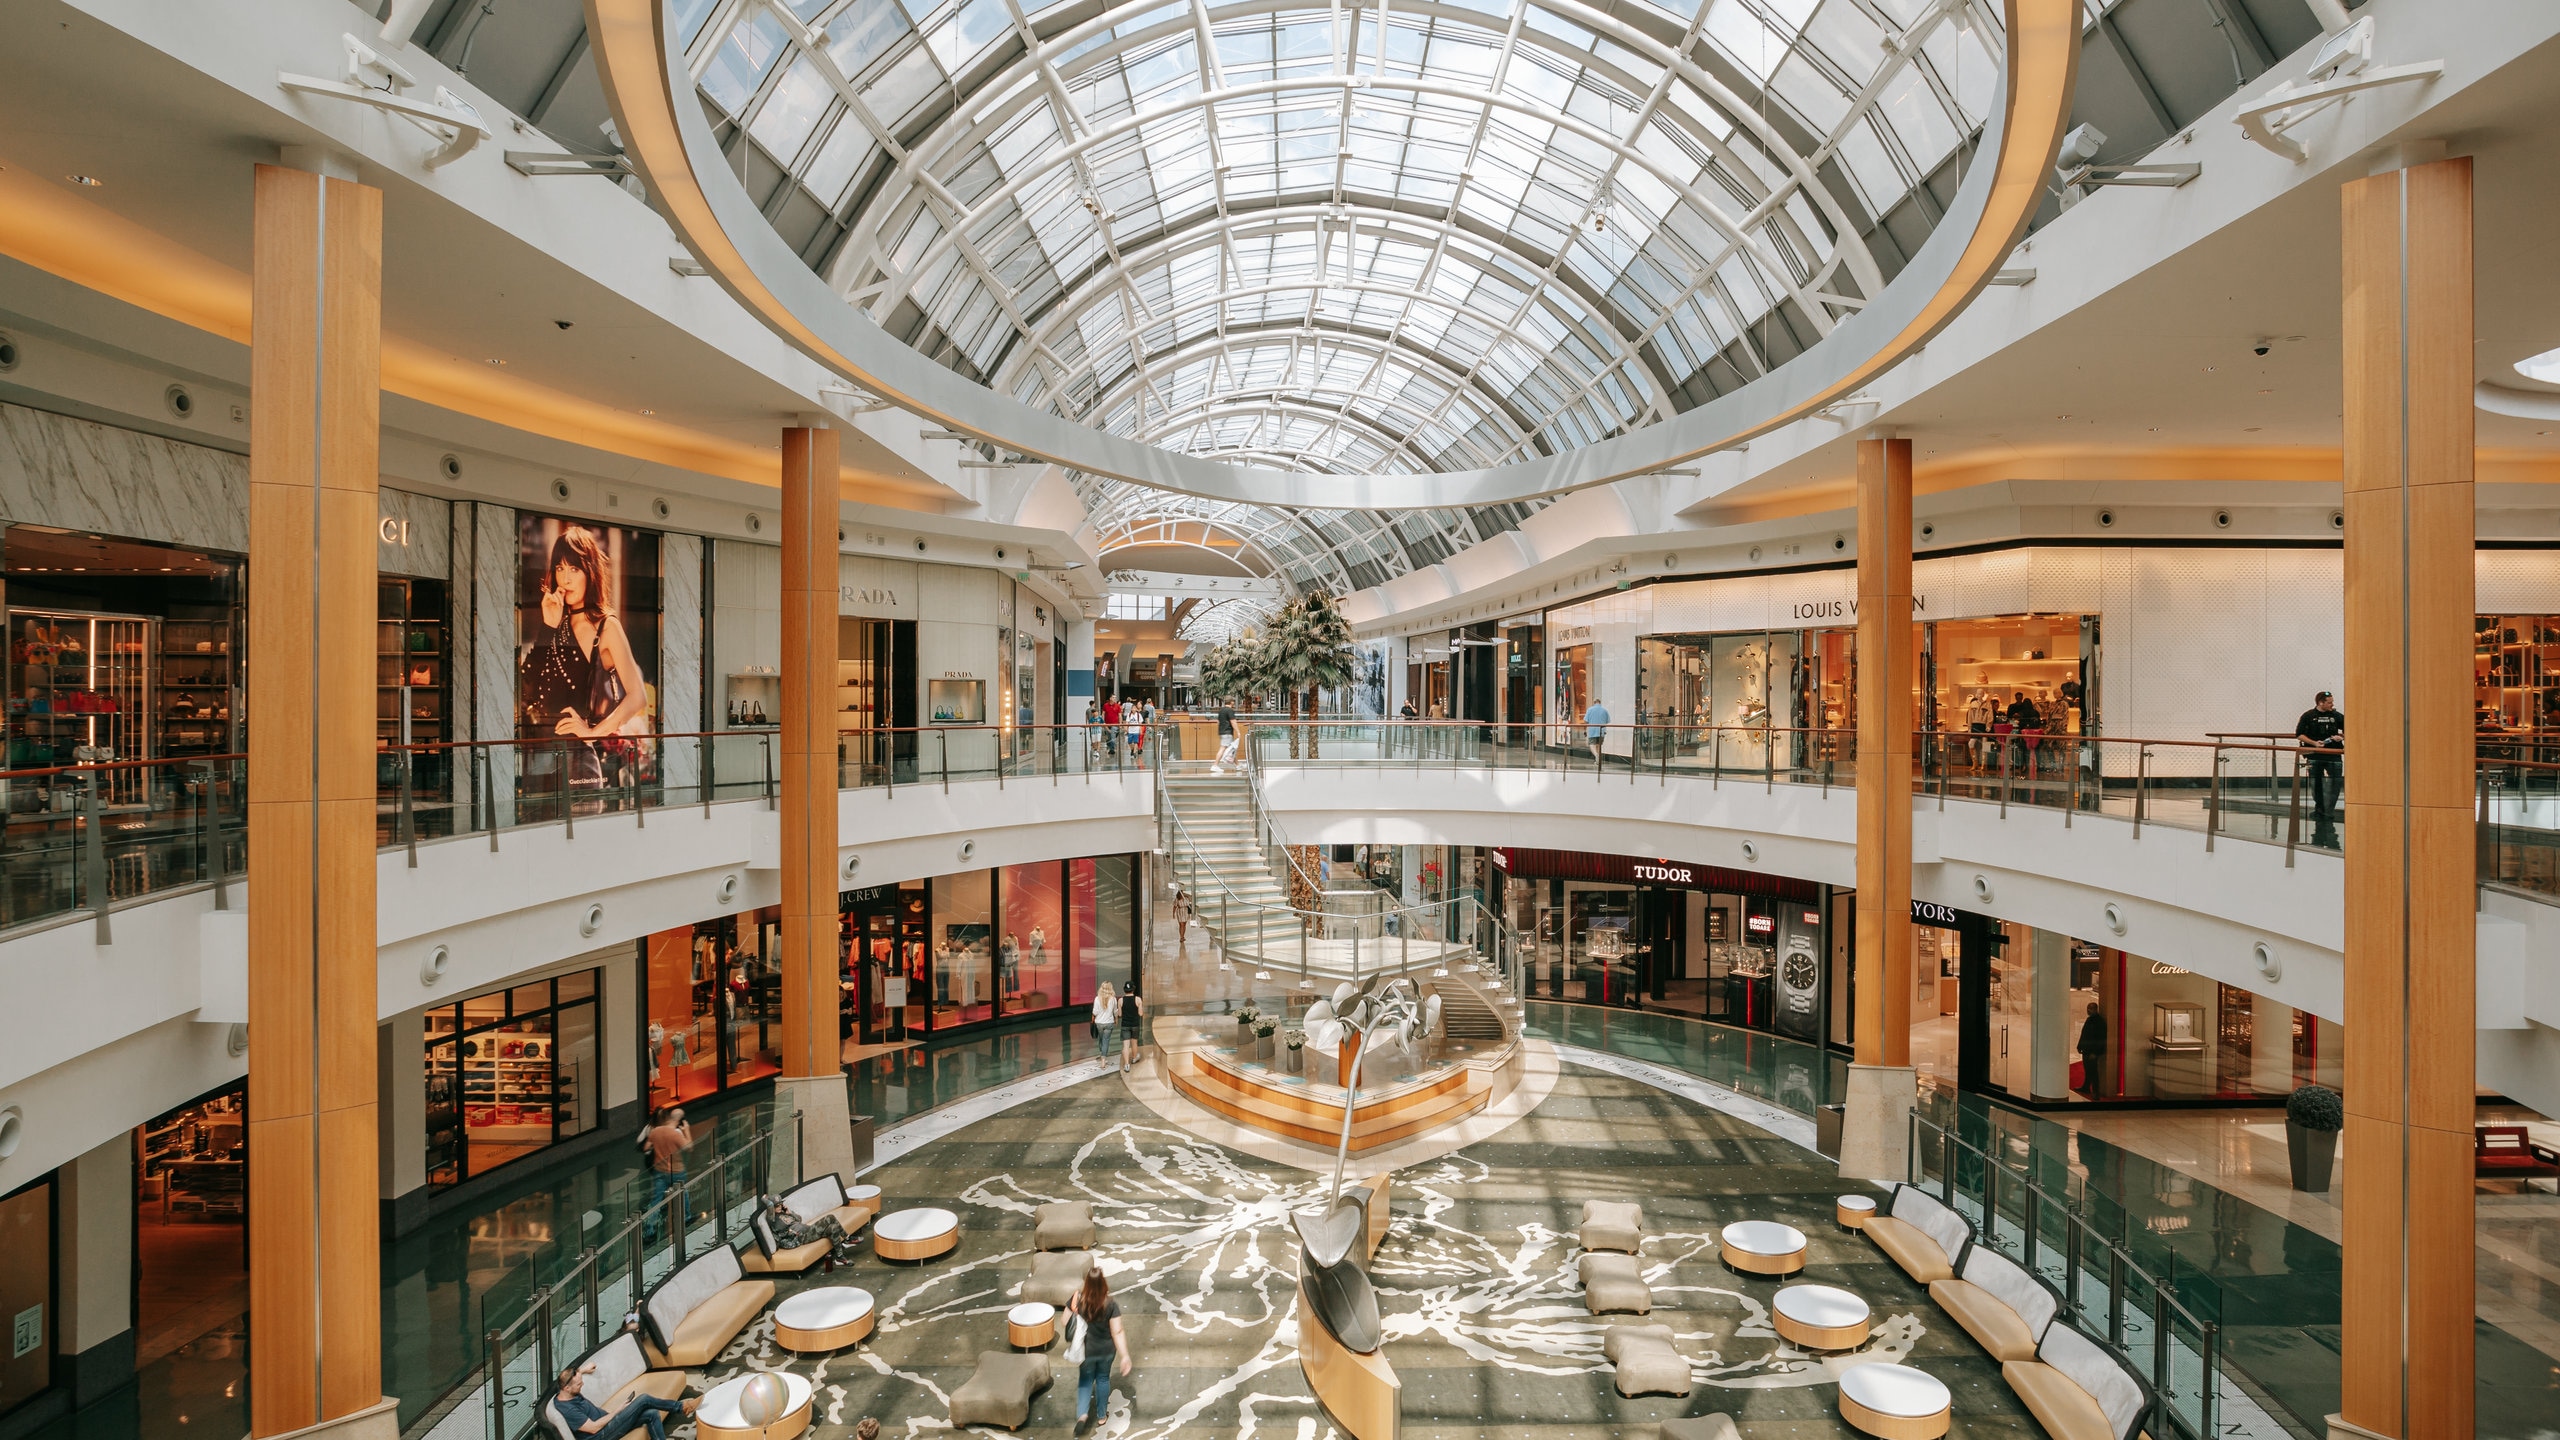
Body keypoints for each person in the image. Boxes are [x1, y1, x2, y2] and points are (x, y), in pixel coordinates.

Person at [521, 524, 652, 795]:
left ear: (589, 572)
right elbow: (528, 685)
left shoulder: (606, 625)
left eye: (574, 569)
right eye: (559, 568)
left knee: (579, 836)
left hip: (579, 762)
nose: (565, 579)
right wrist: (548, 627)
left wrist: (595, 732)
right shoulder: (556, 620)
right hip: (541, 757)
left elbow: (638, 696)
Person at [551, 1360, 695, 1439]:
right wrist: (618, 1411)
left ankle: (681, 1408)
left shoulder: (567, 1390)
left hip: (608, 1423)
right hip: (602, 1435)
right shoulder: (568, 1409)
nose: (582, 1384)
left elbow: (568, 1379)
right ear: (567, 1388)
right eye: (578, 1384)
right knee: (643, 1399)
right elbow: (593, 1428)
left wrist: (582, 1370)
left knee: (651, 1414)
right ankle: (681, 1407)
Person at [1065, 1265, 1131, 1435]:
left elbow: (1065, 1321)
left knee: (1085, 1381)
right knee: (1102, 1379)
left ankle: (1082, 1416)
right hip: (1107, 1351)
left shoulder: (1078, 1299)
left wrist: (1075, 1310)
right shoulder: (1111, 1304)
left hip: (1086, 1351)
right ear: (1103, 1284)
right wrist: (1124, 1356)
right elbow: (1117, 1331)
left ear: (1086, 1283)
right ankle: (1102, 1416)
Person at [760, 1190, 858, 1269]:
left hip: (808, 1230)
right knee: (830, 1217)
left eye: (780, 1204)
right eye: (776, 1205)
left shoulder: (784, 1213)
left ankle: (839, 1258)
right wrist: (764, 1198)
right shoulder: (772, 1219)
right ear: (772, 1207)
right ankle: (847, 1238)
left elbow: (799, 1219)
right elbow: (769, 1205)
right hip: (801, 1237)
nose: (779, 1206)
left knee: (834, 1228)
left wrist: (790, 1213)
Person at [2295, 690, 2344, 845]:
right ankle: (2320, 810)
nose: (2332, 704)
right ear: (2320, 702)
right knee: (2316, 783)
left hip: (2334, 755)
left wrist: (2341, 737)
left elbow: (2350, 728)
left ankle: (2328, 811)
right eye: (2329, 702)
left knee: (2335, 783)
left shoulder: (2337, 716)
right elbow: (2299, 734)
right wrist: (2315, 743)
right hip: (2315, 755)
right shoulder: (2309, 716)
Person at [641, 1106, 691, 1243]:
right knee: (682, 1193)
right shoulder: (676, 1134)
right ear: (680, 1120)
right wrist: (686, 1131)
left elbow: (646, 1147)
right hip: (676, 1170)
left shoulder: (655, 1131)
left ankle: (650, 1229)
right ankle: (686, 1217)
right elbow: (689, 1147)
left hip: (659, 1170)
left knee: (656, 1199)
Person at [2075, 1005, 2108, 1099]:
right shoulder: (2089, 1020)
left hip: (2092, 1051)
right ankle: (2086, 1087)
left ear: (2095, 1009)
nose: (2088, 1010)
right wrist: (2079, 1046)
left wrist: (2095, 1052)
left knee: (2093, 1072)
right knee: (2088, 1070)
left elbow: (2101, 1039)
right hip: (2086, 1049)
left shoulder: (2099, 1022)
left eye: (2090, 1009)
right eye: (2087, 1009)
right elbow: (2084, 1034)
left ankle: (2095, 1092)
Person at [1117, 984, 1146, 1073]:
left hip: (1125, 1025)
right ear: (1133, 990)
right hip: (1135, 1024)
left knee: (1125, 1045)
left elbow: (1120, 1015)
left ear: (1124, 990)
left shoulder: (1121, 1000)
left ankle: (1126, 1065)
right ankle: (1134, 1058)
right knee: (1134, 1043)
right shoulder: (1138, 999)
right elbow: (1141, 1014)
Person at [1091, 981, 1119, 1058]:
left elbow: (1095, 1012)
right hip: (1109, 1022)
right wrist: (1116, 1019)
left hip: (1099, 1023)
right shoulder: (1113, 999)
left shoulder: (1097, 999)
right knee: (1106, 1040)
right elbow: (1115, 1011)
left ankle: (1101, 1053)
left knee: (1101, 1038)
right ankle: (1104, 1057)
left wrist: (1093, 1017)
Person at [1583, 698, 1609, 767]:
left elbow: (1585, 721)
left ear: (1594, 702)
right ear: (1600, 703)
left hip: (1592, 730)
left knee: (1592, 744)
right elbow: (1607, 721)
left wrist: (1585, 730)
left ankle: (1596, 755)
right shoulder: (1604, 710)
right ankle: (1597, 760)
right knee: (1598, 745)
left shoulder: (1590, 710)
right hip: (1601, 731)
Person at [1215, 700, 1240, 772]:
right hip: (1227, 732)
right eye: (1233, 701)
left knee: (1232, 749)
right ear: (1231, 702)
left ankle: (1238, 765)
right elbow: (1233, 721)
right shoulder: (1229, 710)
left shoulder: (1221, 710)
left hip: (1222, 732)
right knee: (1223, 748)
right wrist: (1238, 731)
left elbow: (1218, 722)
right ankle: (1215, 765)